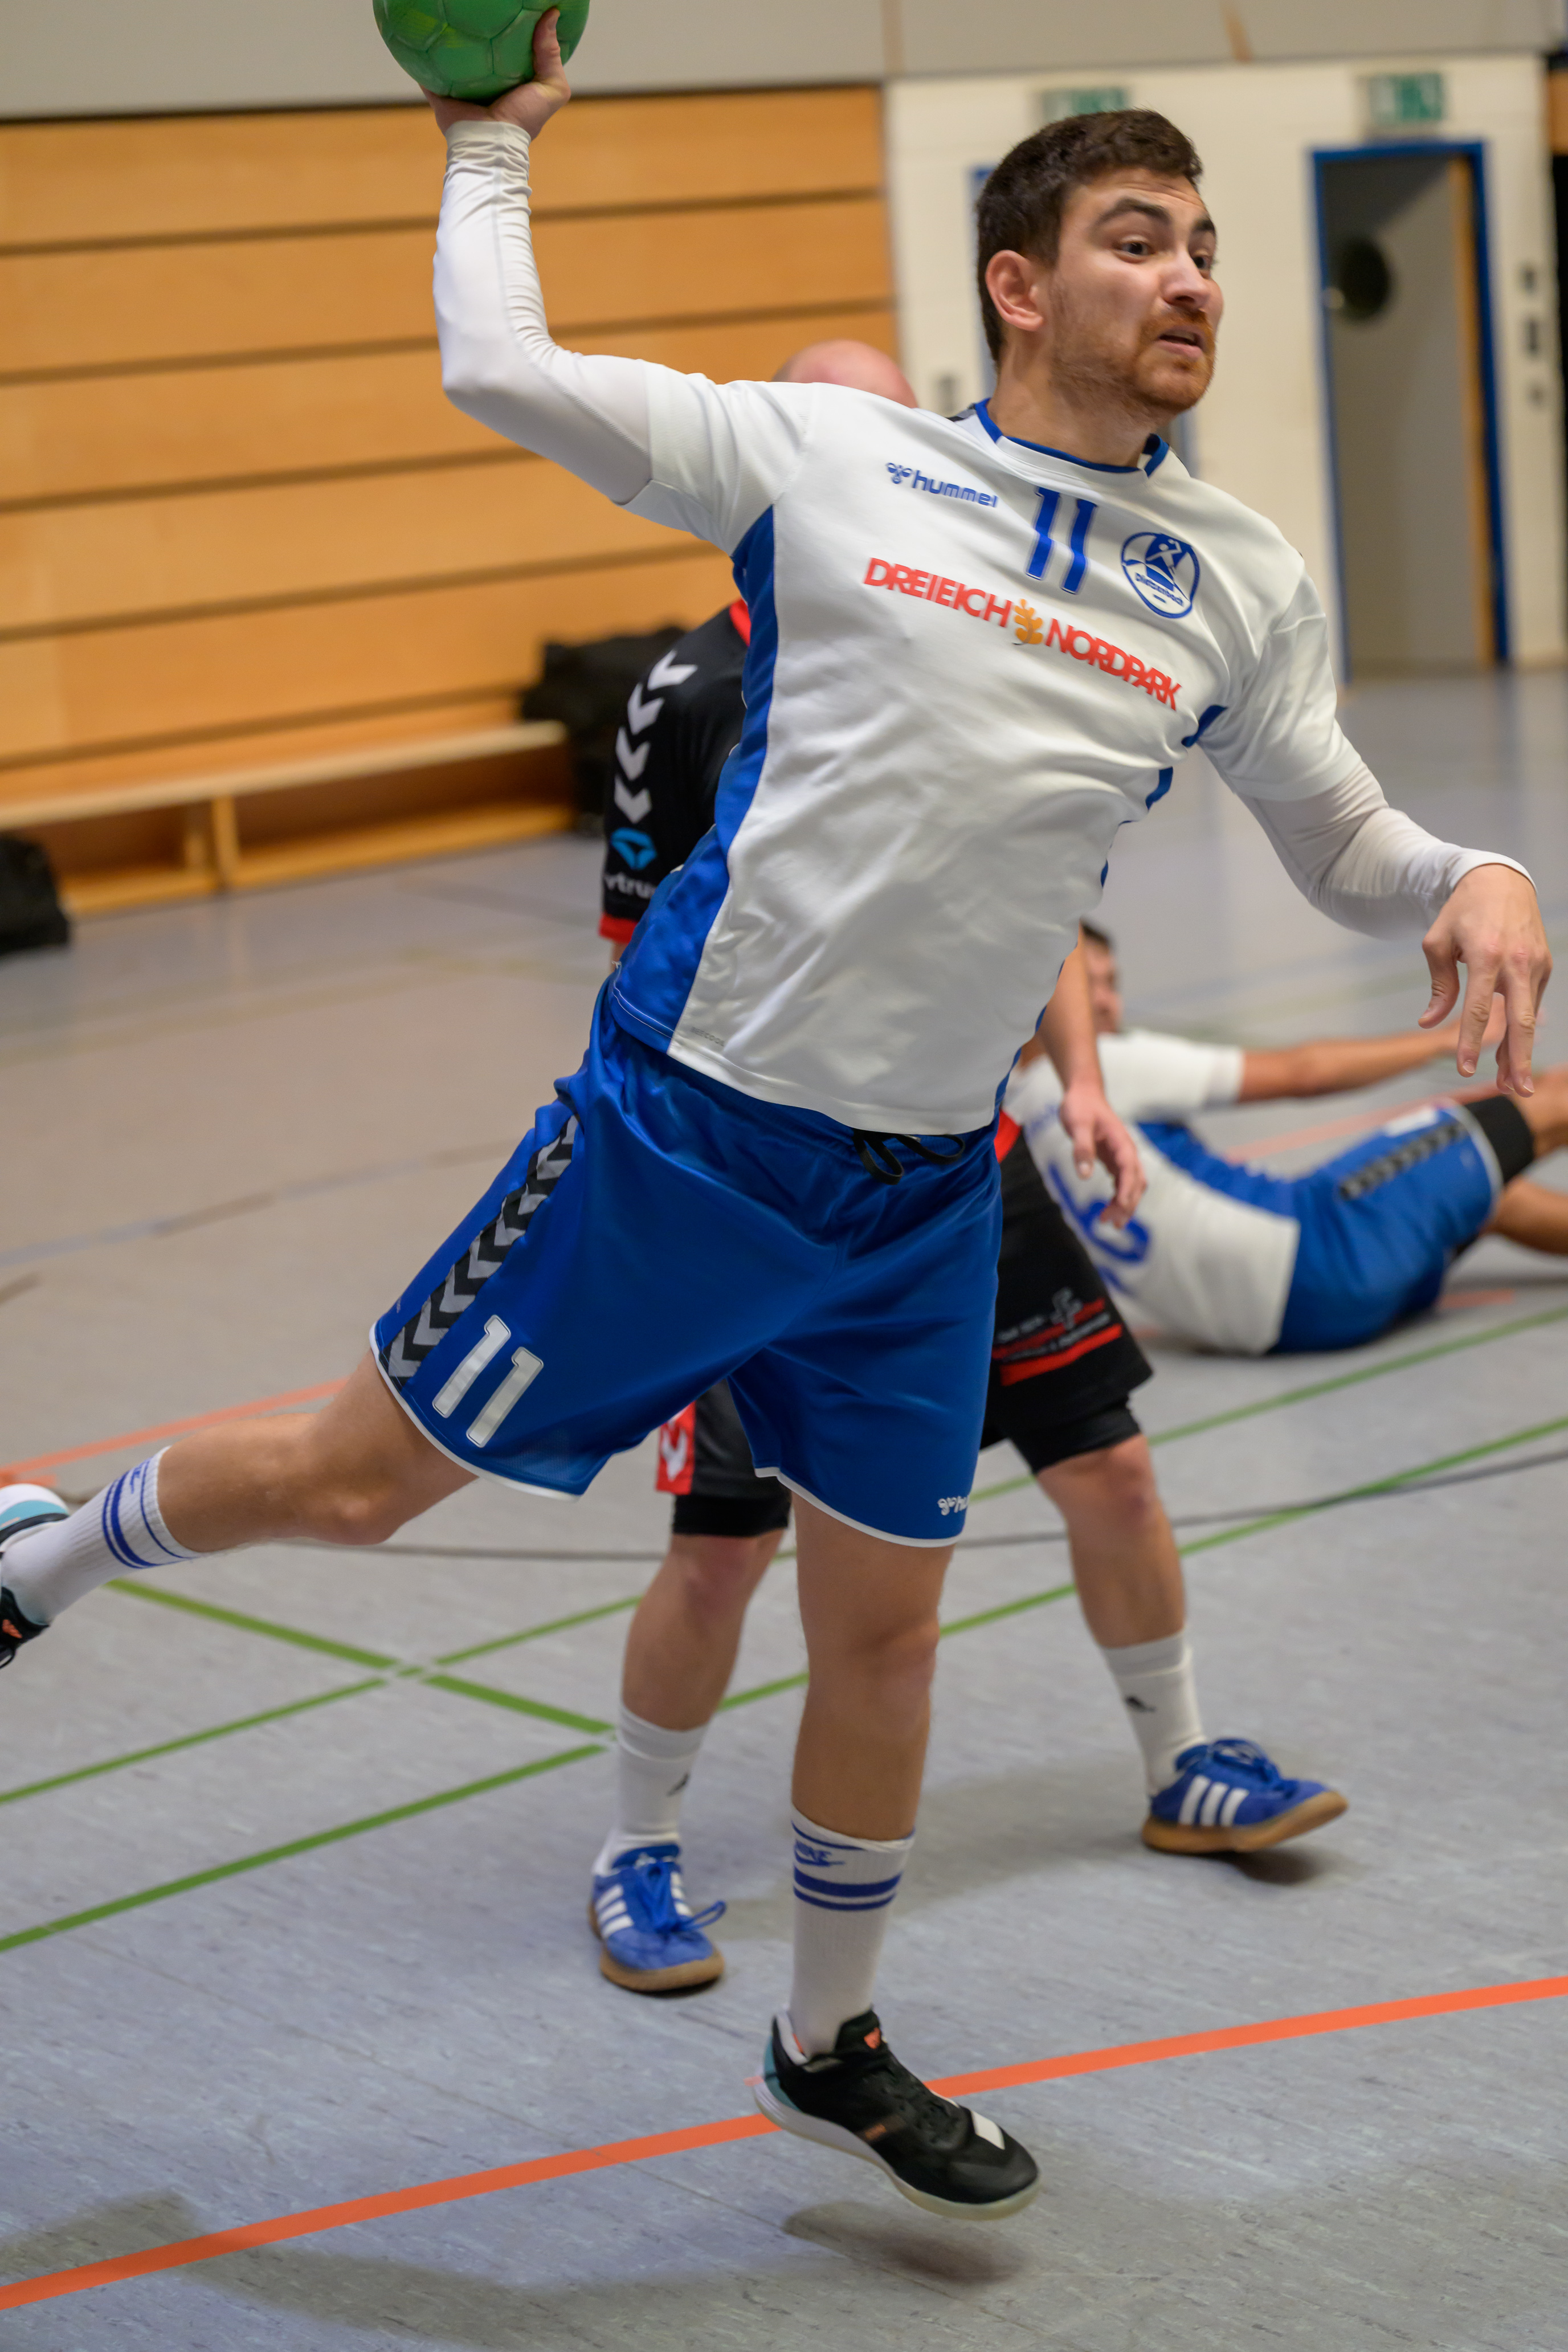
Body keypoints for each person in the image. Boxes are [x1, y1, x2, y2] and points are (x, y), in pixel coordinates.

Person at [0, 34, 1548, 2223]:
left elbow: (1341, 839)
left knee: (887, 1630)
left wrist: (1471, 870)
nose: (1193, 274)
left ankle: (827, 2039)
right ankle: (46, 1552)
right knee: (358, 1480)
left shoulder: (1232, 575)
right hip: (688, 1141)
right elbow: (499, 370)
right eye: (1138, 240)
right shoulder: (832, 460)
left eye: (1206, 241)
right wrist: (487, 146)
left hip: (922, 1196)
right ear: (1020, 285)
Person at [589, 362, 1348, 2003]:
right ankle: (635, 1845)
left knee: (1112, 1469)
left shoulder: (979, 611)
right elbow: (637, 948)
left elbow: (1038, 893)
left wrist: (1085, 1084)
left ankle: (1182, 1759)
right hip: (755, 1183)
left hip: (961, 1166)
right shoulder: (691, 689)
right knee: (724, 1546)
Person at [1013, 922, 1568, 1356]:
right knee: (1548, 1101)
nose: (1105, 1003)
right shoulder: (1100, 1068)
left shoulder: (1013, 1111)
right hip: (1320, 1247)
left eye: (1112, 984)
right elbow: (1304, 1073)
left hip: (1280, 1325)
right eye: (1085, 986)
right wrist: (1443, 1041)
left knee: (1479, 1194)